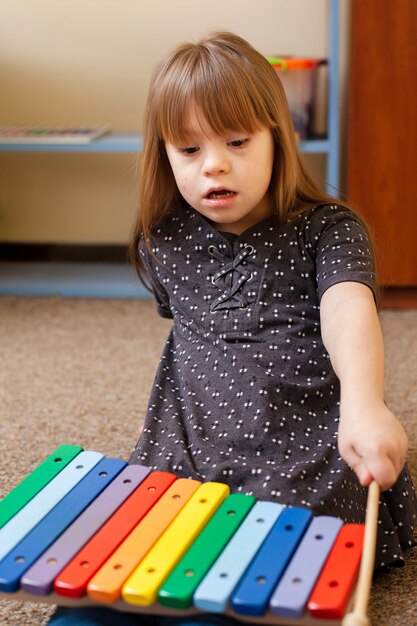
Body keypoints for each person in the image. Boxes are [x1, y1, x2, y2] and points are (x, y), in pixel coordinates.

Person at [47, 31, 416, 626]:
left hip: (298, 442)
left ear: (279, 137)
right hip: (189, 442)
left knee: (252, 577)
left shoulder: (327, 228)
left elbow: (349, 307)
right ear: (163, 154)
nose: (214, 163)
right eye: (188, 150)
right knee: (111, 583)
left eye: (238, 141)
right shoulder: (162, 238)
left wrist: (364, 405)